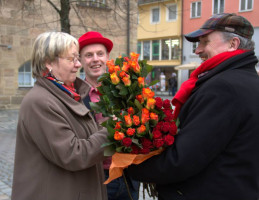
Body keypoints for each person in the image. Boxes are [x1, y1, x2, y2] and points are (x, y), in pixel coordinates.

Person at [128, 13, 259, 200]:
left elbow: (183, 159)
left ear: (233, 44)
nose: (198, 50)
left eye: (205, 42)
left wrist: (131, 165)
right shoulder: (248, 81)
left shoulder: (224, 88)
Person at [11, 32, 109, 200]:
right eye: (71, 59)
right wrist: (112, 130)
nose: (78, 64)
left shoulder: (68, 93)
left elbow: (90, 135)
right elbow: (73, 154)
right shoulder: (40, 101)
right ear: (48, 62)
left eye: (77, 58)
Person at [78, 31, 140, 200]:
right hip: (97, 178)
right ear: (81, 60)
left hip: (128, 176)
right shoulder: (73, 97)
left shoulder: (126, 88)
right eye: (88, 55)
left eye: (100, 54)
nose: (95, 59)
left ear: (108, 57)